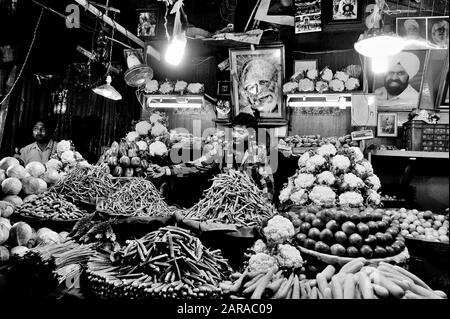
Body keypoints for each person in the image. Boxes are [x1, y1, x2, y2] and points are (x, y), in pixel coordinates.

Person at [149, 113, 275, 201]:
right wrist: (166, 170)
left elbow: (267, 182)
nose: (235, 135)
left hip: (250, 202)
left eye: (241, 132)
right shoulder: (223, 148)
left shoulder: (259, 152)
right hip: (224, 200)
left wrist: (265, 203)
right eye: (234, 130)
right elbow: (197, 165)